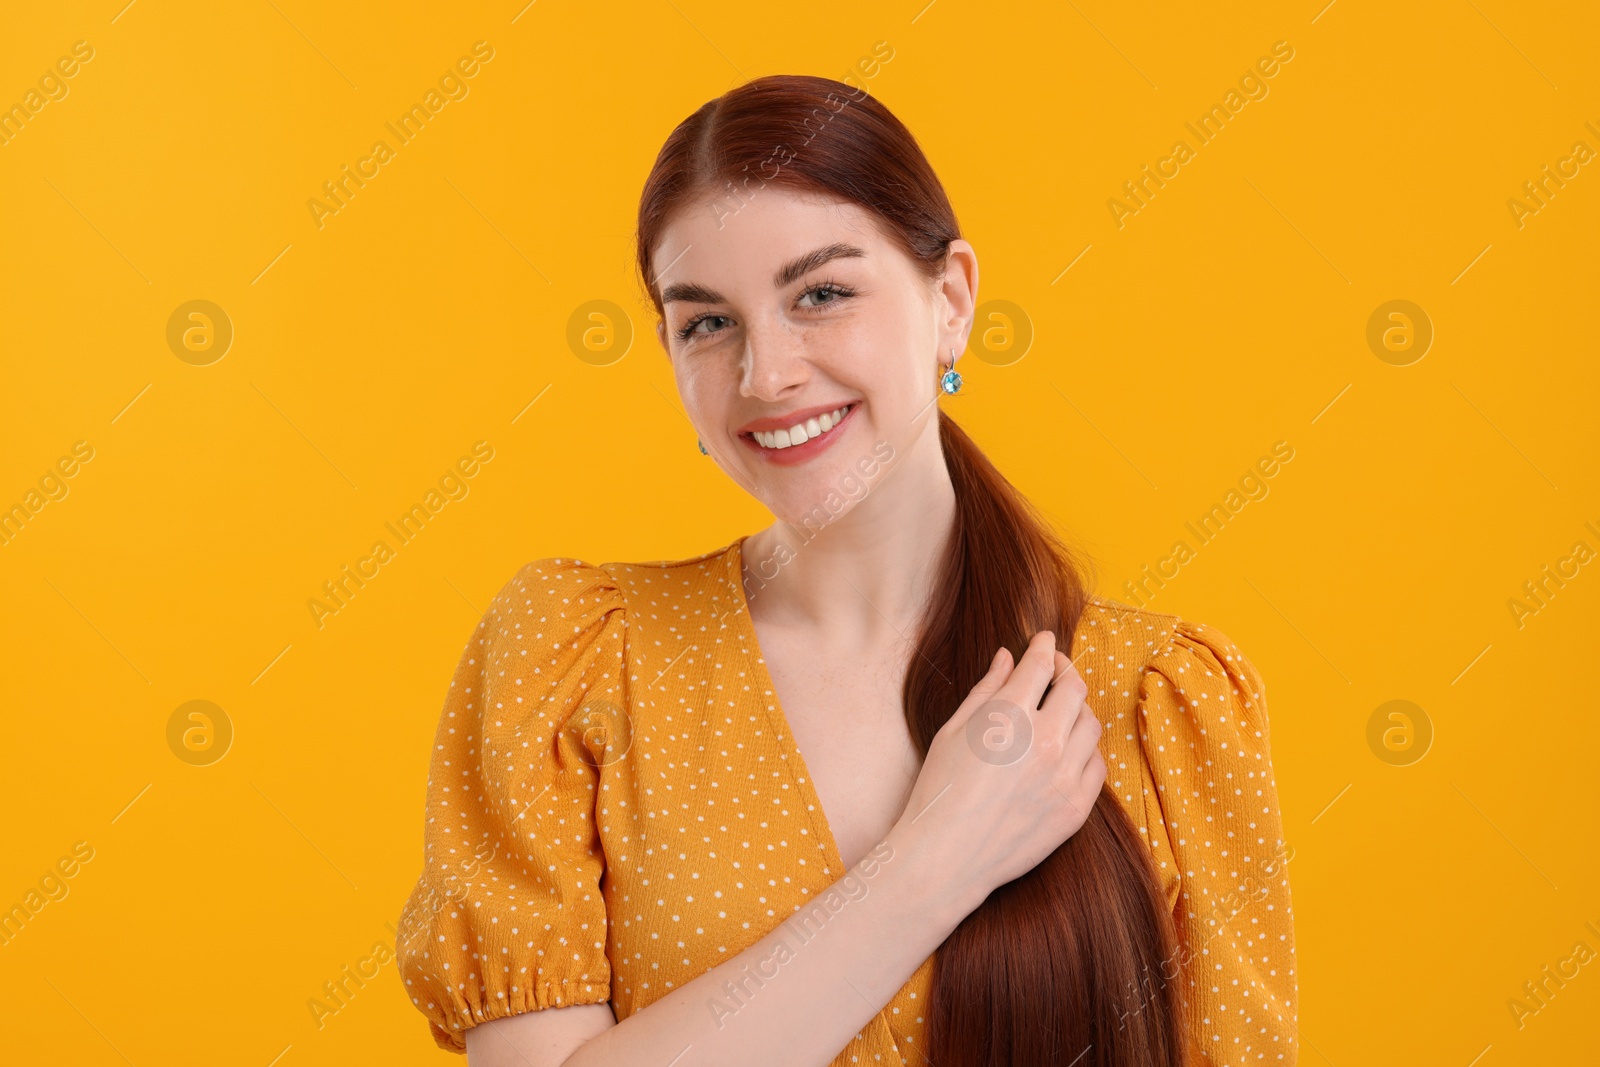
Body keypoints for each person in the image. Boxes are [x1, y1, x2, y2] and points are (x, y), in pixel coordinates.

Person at [396, 73, 1297, 1067]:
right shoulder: (571, 662)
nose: (766, 374)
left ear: (950, 300)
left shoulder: (1159, 705)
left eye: (820, 293)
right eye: (708, 322)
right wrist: (933, 859)